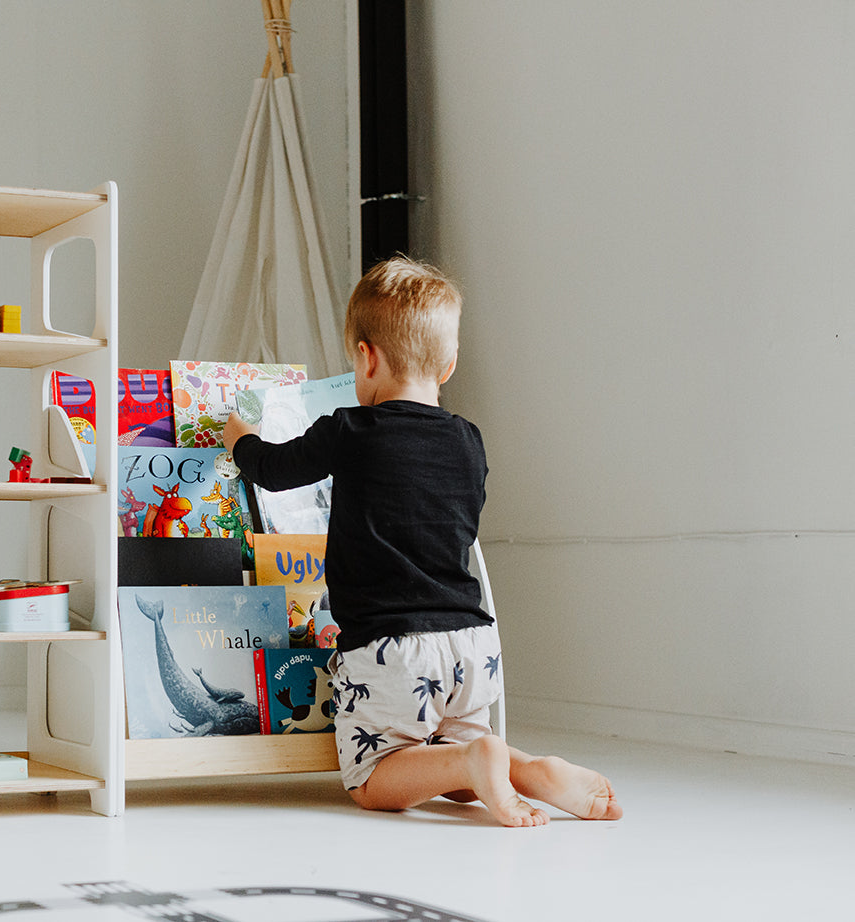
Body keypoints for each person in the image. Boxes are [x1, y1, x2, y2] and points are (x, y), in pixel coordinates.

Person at [222, 256, 622, 827]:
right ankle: (526, 770)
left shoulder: (348, 429)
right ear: (450, 365)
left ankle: (484, 760)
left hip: (390, 648)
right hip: (470, 641)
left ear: (366, 358)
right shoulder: (469, 441)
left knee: (373, 775)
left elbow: (274, 470)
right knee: (452, 767)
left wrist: (243, 439)